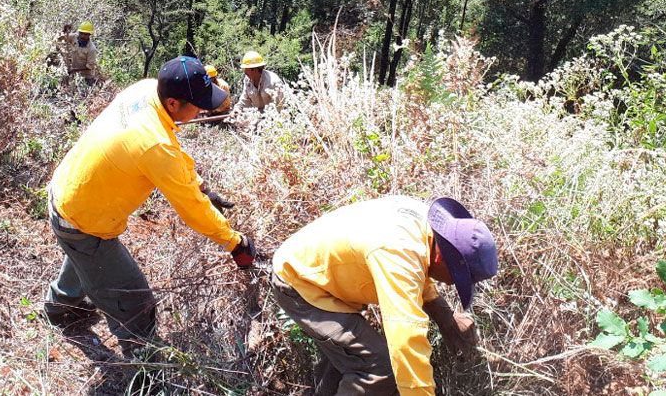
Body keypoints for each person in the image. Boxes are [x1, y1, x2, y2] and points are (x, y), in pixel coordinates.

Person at [43, 55, 257, 356]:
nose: (201, 111)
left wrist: (202, 187)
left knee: (86, 258)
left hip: (68, 191)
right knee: (135, 300)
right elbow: (191, 208)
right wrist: (234, 243)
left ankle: (58, 308)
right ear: (173, 103)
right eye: (198, 105)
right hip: (82, 218)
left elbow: (172, 153)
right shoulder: (154, 145)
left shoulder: (145, 90)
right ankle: (144, 365)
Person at [271, 196, 498, 396]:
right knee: (378, 368)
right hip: (300, 282)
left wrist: (445, 317)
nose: (450, 284)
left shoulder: (423, 230)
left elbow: (418, 271)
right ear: (441, 257)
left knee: (352, 358)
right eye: (456, 278)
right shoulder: (398, 252)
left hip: (322, 275)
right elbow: (405, 342)